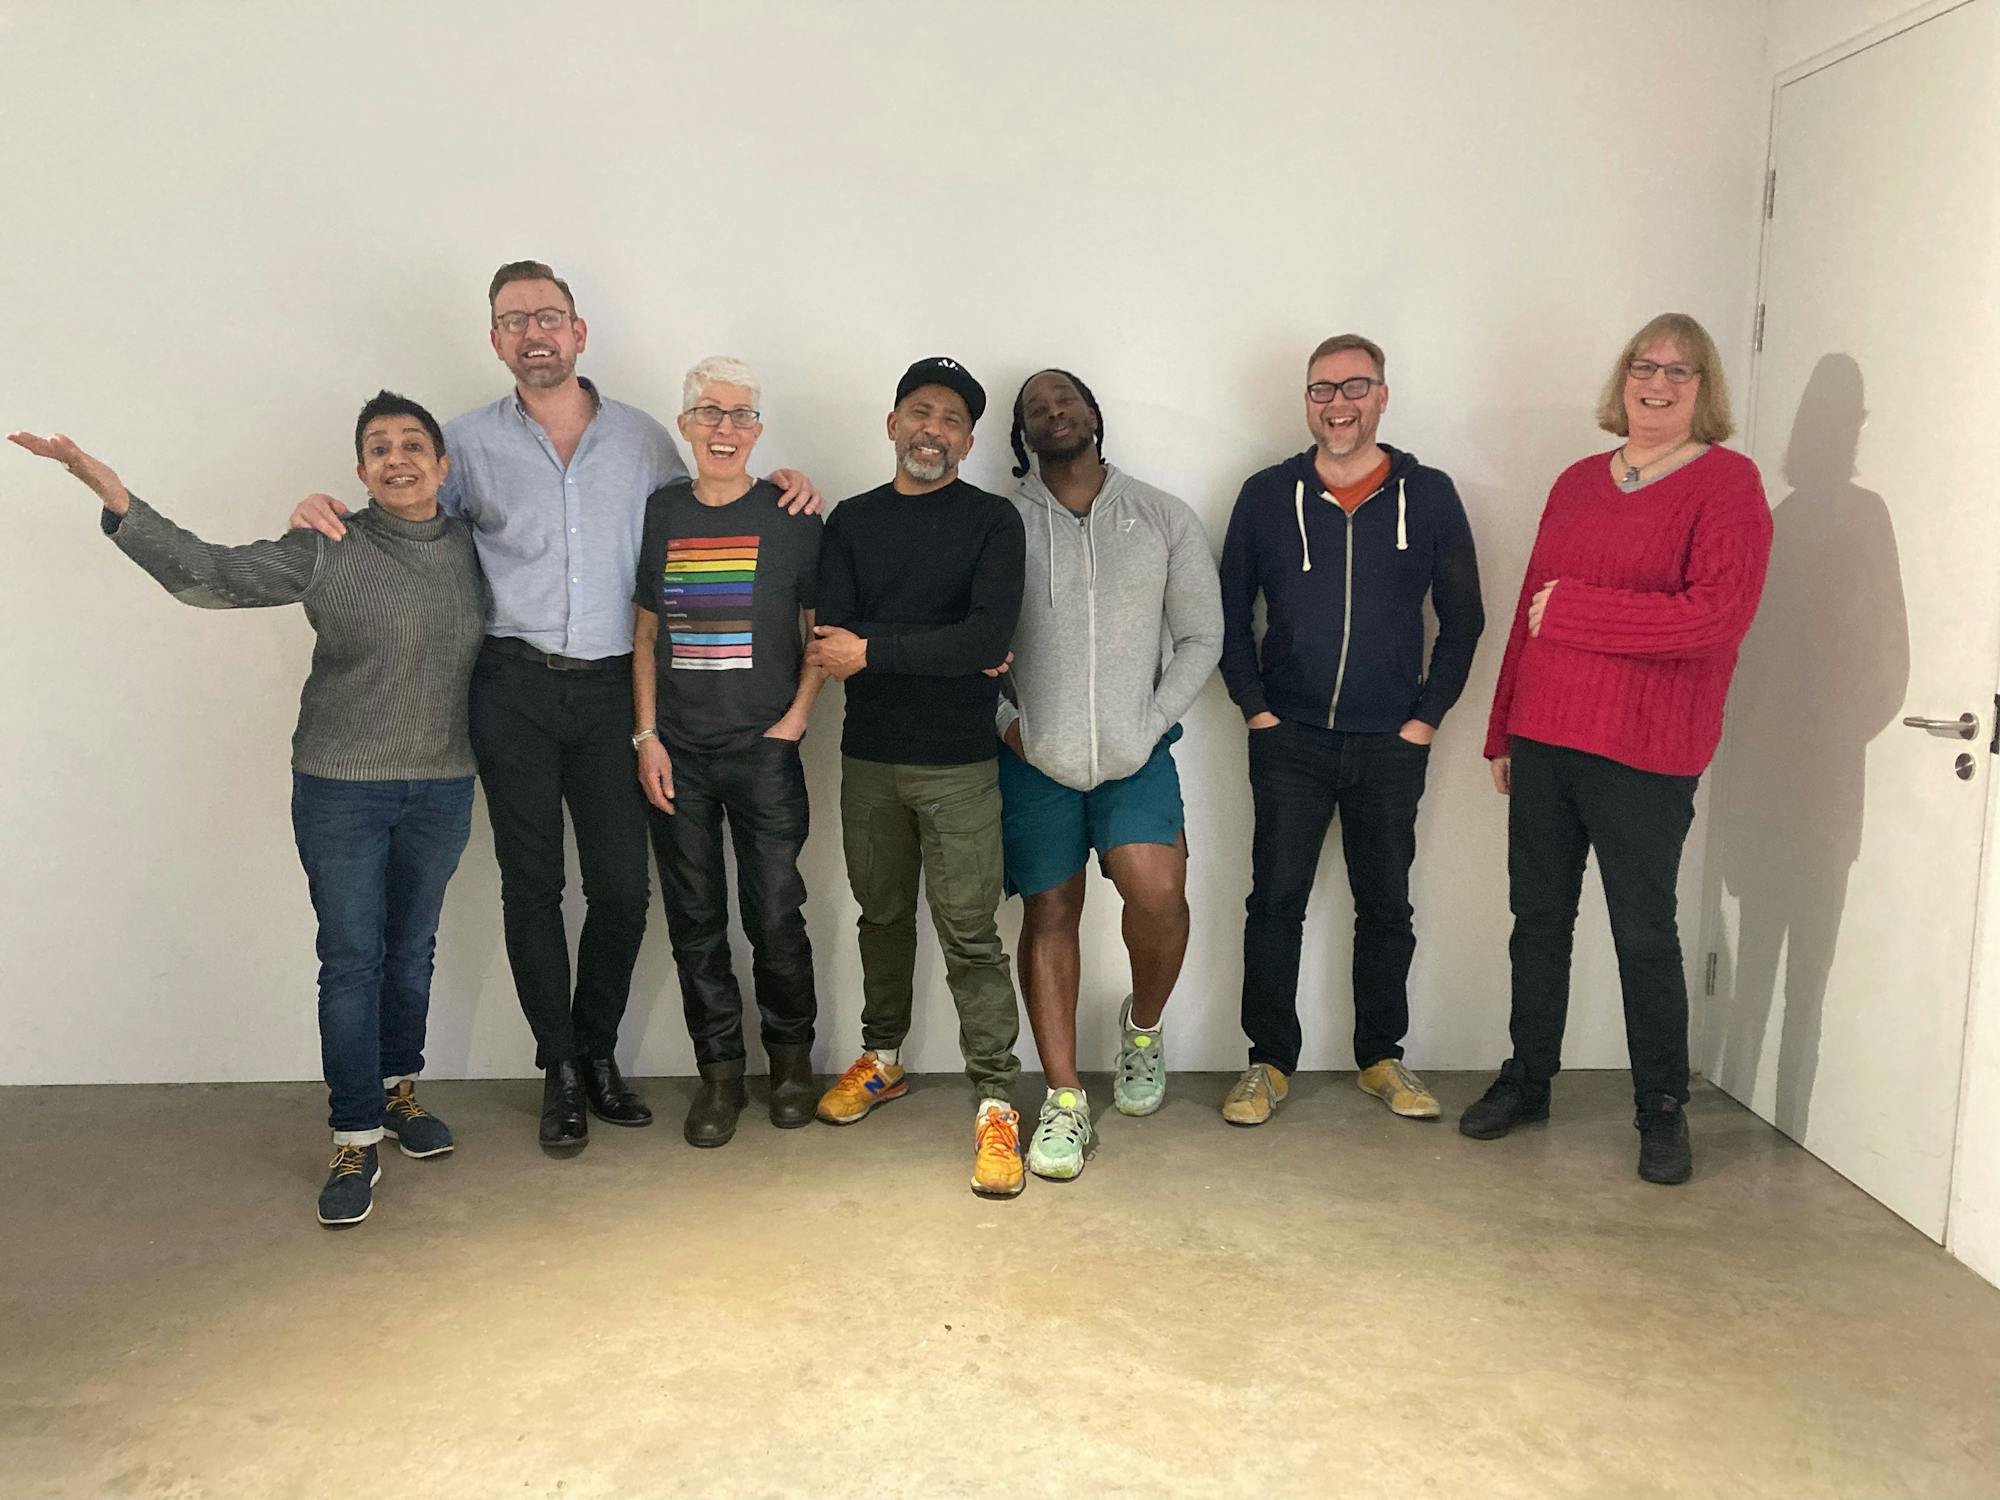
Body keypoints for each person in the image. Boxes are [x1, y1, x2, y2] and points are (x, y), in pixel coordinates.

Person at [291, 261, 819, 1151]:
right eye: (514, 320)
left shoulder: (645, 440)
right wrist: (325, 508)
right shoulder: (464, 443)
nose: (533, 332)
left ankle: (599, 1049)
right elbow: (405, 515)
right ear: (496, 340)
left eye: (548, 316)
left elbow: (708, 500)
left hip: (619, 692)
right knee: (532, 886)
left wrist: (786, 485)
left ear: (578, 332)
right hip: (514, 688)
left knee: (621, 889)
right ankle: (561, 1068)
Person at [10, 393, 486, 1227]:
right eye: (379, 448)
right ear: (362, 471)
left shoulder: (479, 549)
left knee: (412, 950)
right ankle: (354, 1134)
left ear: (443, 466)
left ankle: (396, 1091)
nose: (398, 458)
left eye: (414, 444)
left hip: (443, 784)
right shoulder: (327, 544)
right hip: (341, 787)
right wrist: (113, 495)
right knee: (352, 960)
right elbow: (213, 577)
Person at [1465, 311, 1771, 1185]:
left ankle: (1661, 1108)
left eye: (1680, 371)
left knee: (1643, 933)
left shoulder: (1729, 484)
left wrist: (1577, 611)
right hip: (1546, 734)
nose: (1658, 383)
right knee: (1537, 922)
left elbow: (1714, 618)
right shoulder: (1575, 483)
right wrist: (1502, 725)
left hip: (1646, 748)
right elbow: (1528, 609)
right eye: (1645, 366)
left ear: (1704, 389)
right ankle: (1528, 1079)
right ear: (1623, 378)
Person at [1218, 334, 1485, 1127]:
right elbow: (1227, 612)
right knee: (1275, 903)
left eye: (1355, 387)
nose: (1338, 404)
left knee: (1387, 907)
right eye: (1322, 390)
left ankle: (1380, 1057)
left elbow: (1464, 618)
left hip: (1390, 744)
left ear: (1383, 396)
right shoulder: (1267, 496)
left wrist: (1425, 720)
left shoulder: (1428, 495)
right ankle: (1268, 1062)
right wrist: (1256, 710)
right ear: (1307, 402)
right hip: (1290, 739)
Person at [807, 357, 1029, 1198]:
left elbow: (986, 639)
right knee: (883, 916)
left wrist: (878, 648)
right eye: (920, 412)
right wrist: (932, 646)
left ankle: (997, 1101)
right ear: (893, 423)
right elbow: (833, 639)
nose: (933, 429)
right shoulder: (851, 521)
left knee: (971, 934)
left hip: (960, 765)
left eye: (951, 420)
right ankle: (884, 1057)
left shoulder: (992, 522)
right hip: (868, 759)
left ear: (968, 442)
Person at [996, 368, 1222, 1181]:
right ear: (1023, 434)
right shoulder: (1001, 525)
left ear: (1093, 414)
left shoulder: (1162, 515)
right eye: (1035, 407)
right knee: (1050, 911)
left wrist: (1149, 723)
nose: (1053, 411)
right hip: (1035, 759)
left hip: (1136, 755)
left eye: (1065, 399)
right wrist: (1009, 727)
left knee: (1158, 893)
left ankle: (1143, 1030)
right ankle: (1064, 1099)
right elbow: (971, 644)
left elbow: (1201, 636)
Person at [632, 357, 825, 1147]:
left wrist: (795, 720)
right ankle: (720, 1077)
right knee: (695, 921)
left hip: (763, 753)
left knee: (776, 914)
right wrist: (646, 736)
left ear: (758, 429)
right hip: (677, 754)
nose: (725, 428)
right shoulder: (662, 512)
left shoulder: (791, 514)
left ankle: (790, 1066)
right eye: (709, 412)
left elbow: (819, 633)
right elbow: (645, 633)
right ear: (685, 425)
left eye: (741, 414)